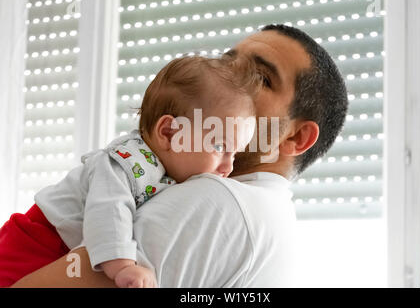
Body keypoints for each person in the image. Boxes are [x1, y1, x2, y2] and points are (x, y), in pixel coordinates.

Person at [9, 24, 348, 288]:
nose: (234, 82)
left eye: (261, 77)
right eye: (228, 64)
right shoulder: (272, 219)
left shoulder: (217, 199)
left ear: (297, 136)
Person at [0, 55, 260, 288]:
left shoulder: (166, 173)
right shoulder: (127, 162)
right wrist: (123, 266)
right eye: (219, 145)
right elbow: (108, 211)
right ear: (170, 133)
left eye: (234, 153)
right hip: (32, 243)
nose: (229, 167)